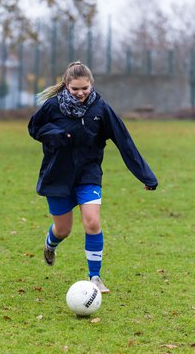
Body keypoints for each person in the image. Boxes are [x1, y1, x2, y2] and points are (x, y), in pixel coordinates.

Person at [28, 61, 158, 294]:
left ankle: (95, 277)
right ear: (66, 85)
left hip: (88, 174)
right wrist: (57, 135)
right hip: (58, 176)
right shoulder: (52, 106)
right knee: (63, 230)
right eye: (75, 89)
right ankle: (50, 245)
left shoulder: (100, 109)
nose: (80, 93)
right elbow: (35, 129)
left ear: (91, 85)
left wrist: (145, 176)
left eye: (84, 88)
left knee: (92, 222)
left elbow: (124, 140)